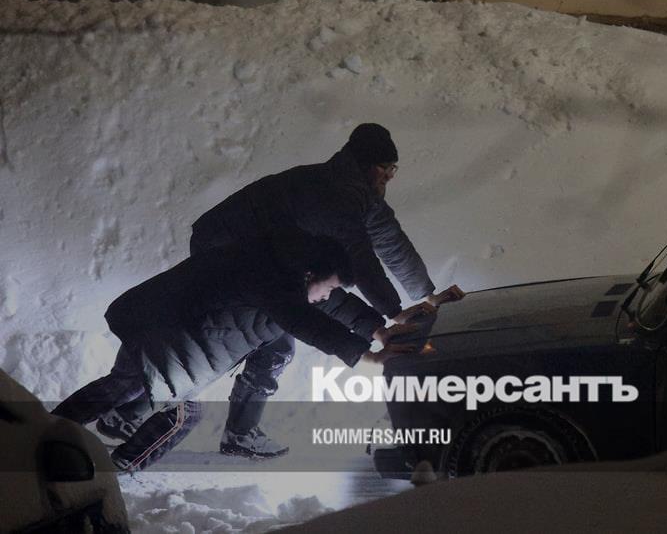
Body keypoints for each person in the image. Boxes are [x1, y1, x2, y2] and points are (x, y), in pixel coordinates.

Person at [99, 123, 463, 459]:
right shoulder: (332, 197)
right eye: (386, 170)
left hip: (264, 260)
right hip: (226, 249)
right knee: (246, 341)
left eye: (394, 170)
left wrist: (425, 295)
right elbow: (355, 261)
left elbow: (391, 244)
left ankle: (143, 414)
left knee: (261, 339)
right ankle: (149, 416)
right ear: (367, 166)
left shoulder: (361, 197)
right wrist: (391, 315)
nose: (390, 178)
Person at [52, 229, 416, 472]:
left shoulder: (283, 263)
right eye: (329, 286)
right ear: (310, 274)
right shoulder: (274, 280)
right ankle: (116, 469)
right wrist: (367, 355)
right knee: (183, 415)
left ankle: (48, 428)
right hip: (170, 334)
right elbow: (303, 320)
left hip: (157, 322)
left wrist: (379, 331)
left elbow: (326, 304)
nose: (326, 296)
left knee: (122, 384)